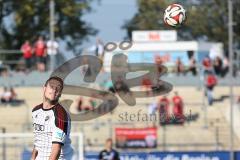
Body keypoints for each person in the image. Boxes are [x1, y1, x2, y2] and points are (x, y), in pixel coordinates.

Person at [31, 76, 74, 160]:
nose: (54, 90)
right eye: (51, 87)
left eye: (58, 88)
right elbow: (38, 140)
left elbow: (56, 149)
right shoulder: (36, 111)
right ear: (44, 88)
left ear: (60, 93)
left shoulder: (61, 115)